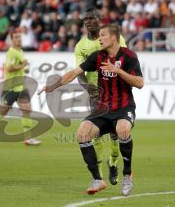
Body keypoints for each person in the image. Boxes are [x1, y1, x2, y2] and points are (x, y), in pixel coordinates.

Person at [39, 24, 144, 196]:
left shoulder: (129, 56)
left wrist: (118, 71)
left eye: (103, 35)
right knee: (82, 132)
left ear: (114, 37)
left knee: (123, 129)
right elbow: (74, 72)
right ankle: (97, 179)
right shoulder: (97, 56)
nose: (99, 38)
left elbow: (140, 83)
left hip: (124, 107)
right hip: (103, 109)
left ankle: (126, 175)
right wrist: (53, 86)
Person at [74, 7, 126, 185]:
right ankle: (99, 176)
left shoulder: (112, 38)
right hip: (96, 94)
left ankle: (113, 161)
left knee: (114, 133)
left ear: (99, 19)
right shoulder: (81, 46)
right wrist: (87, 86)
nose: (87, 22)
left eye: (91, 18)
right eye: (85, 19)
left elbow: (125, 60)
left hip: (115, 93)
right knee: (94, 133)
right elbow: (79, 71)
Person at [0, 29, 41, 146]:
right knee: (2, 112)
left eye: (20, 37)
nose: (19, 39)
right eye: (16, 37)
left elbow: (19, 67)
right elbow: (9, 68)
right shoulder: (11, 52)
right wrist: (22, 65)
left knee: (27, 109)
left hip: (21, 86)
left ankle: (28, 138)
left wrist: (25, 69)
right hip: (10, 88)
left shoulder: (20, 51)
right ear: (12, 39)